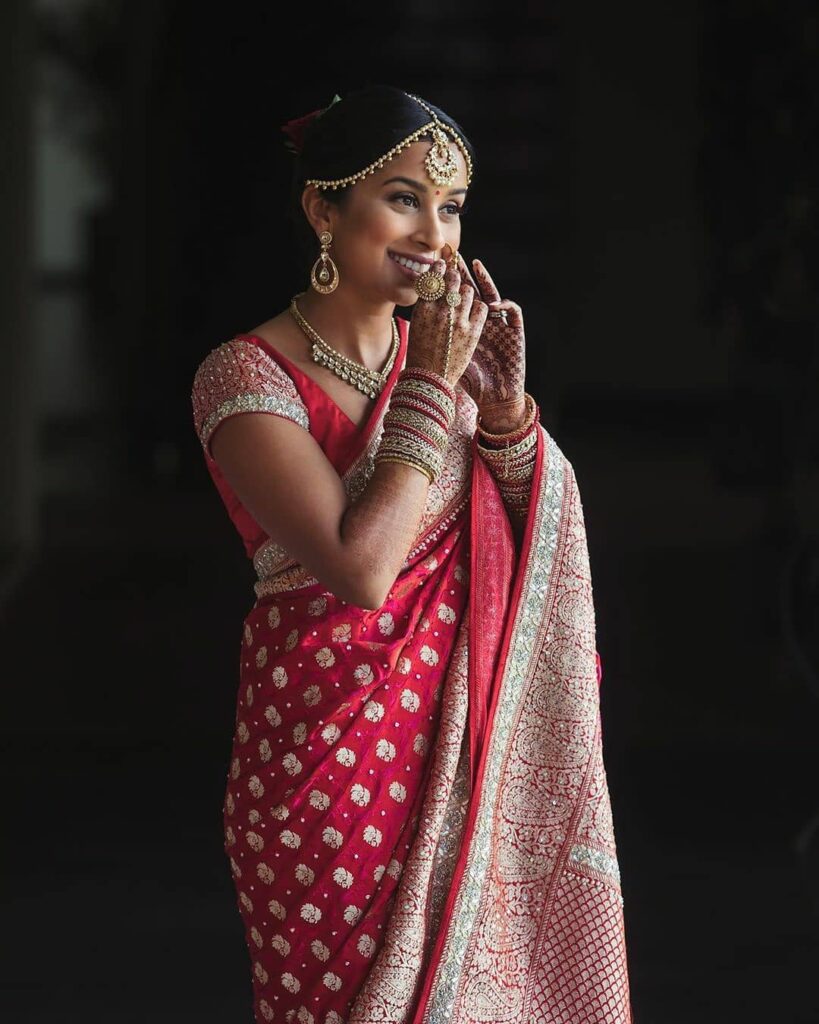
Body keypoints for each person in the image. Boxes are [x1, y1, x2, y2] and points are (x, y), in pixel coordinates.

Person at [191, 85, 631, 1024]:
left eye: (452, 207)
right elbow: (361, 569)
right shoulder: (244, 377)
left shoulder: (439, 360)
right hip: (323, 770)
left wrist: (507, 420)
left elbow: (523, 548)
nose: (433, 234)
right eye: (401, 197)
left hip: (453, 742)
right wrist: (434, 385)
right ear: (322, 207)